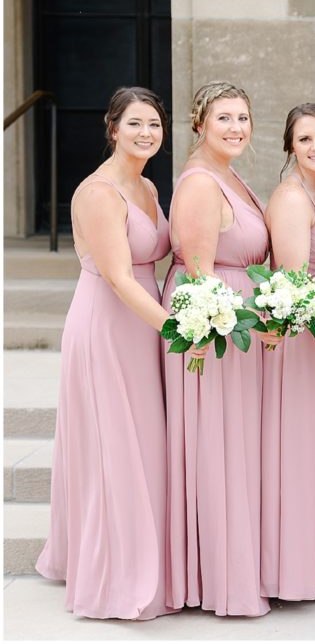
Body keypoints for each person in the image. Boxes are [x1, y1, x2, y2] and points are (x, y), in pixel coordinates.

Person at [35, 87, 179, 620]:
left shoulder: (146, 185)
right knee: (115, 444)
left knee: (142, 443)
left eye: (155, 125)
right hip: (109, 324)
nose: (147, 134)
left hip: (142, 323)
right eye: (136, 124)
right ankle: (114, 572)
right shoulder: (99, 192)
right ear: (112, 128)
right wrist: (179, 330)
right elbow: (119, 277)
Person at [163, 81, 281, 617]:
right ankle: (220, 579)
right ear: (200, 124)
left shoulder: (228, 176)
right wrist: (234, 327)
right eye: (224, 118)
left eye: (243, 117)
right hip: (212, 331)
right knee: (216, 445)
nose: (236, 127)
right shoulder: (199, 185)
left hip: (240, 325)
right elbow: (201, 276)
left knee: (235, 446)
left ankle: (237, 564)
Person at [260, 103, 315, 601]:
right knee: (302, 452)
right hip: (301, 337)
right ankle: (295, 570)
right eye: (305, 139)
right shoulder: (293, 199)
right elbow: (294, 286)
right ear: (290, 146)